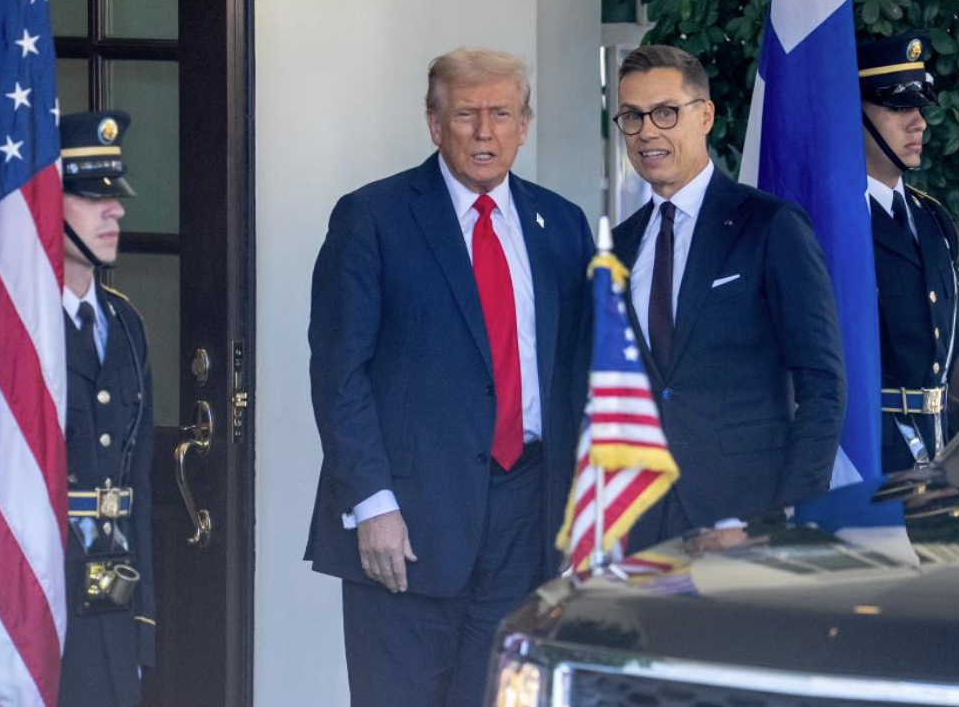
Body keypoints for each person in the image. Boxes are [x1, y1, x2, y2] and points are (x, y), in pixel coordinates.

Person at [304, 47, 594, 707]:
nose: (484, 131)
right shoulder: (373, 217)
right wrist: (372, 503)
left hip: (529, 519)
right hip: (406, 525)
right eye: (466, 114)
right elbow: (338, 371)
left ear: (526, 123)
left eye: (501, 114)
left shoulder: (562, 225)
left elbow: (577, 377)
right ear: (434, 124)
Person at [0, 111, 156, 707]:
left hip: (111, 606)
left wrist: (143, 628)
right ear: (45, 204)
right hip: (27, 597)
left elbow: (137, 484)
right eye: (92, 198)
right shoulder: (9, 334)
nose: (116, 211)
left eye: (116, 197)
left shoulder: (128, 324)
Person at [610, 45, 846, 551]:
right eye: (632, 116)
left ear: (705, 116)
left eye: (666, 112)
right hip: (641, 526)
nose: (648, 130)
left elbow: (823, 384)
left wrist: (779, 517)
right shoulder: (621, 245)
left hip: (746, 520)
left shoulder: (770, 226)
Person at [858, 34, 959, 473]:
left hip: (942, 452)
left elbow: (950, 352)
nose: (918, 122)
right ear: (854, 115)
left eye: (919, 108)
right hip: (868, 455)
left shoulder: (934, 219)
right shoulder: (831, 227)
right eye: (899, 108)